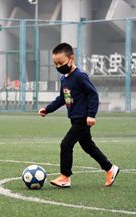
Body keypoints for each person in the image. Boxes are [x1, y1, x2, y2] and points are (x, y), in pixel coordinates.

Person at [38, 43, 119, 188]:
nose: (58, 66)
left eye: (61, 63)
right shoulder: (64, 79)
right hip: (74, 118)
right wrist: (47, 109)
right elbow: (63, 98)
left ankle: (65, 177)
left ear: (71, 59)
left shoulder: (80, 76)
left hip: (82, 119)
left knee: (66, 144)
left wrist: (91, 115)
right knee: (88, 146)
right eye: (55, 64)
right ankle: (110, 168)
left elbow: (93, 94)